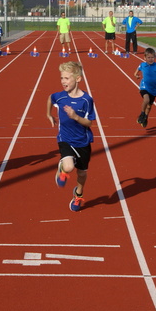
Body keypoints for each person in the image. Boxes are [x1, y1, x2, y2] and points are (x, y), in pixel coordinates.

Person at [46, 61, 96, 212]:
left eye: (67, 78)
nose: (63, 81)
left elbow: (89, 123)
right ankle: (62, 168)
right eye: (62, 78)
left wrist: (75, 117)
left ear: (78, 79)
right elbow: (50, 98)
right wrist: (48, 114)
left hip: (83, 141)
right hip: (65, 139)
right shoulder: (60, 97)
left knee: (82, 173)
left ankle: (78, 194)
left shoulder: (86, 100)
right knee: (69, 166)